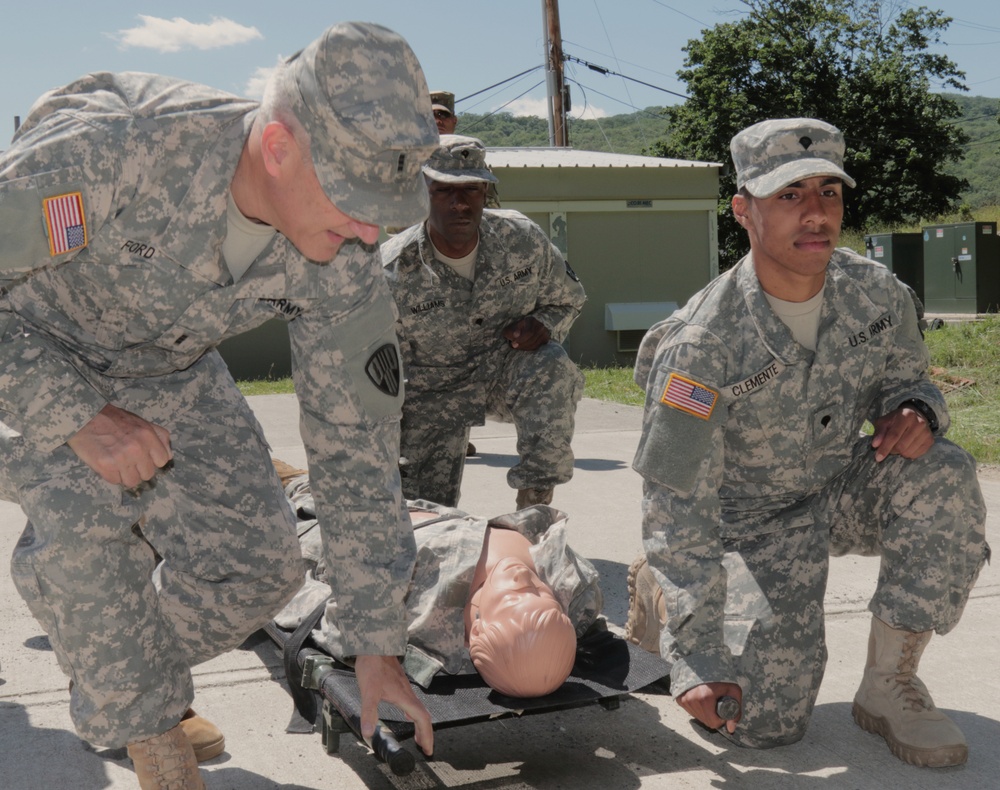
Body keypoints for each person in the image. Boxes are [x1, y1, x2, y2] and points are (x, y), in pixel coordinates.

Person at [0, 22, 440, 789]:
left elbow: (357, 444)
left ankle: (116, 677)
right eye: (354, 199)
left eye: (384, 208)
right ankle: (146, 727)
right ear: (278, 147)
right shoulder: (116, 151)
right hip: (34, 347)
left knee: (261, 566)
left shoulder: (348, 252)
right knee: (85, 533)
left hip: (173, 371)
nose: (370, 229)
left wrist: (376, 643)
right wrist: (74, 414)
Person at [626, 118, 990, 768]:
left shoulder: (876, 293)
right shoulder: (702, 344)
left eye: (829, 192)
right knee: (765, 725)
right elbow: (676, 505)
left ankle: (889, 684)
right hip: (745, 526)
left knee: (942, 471)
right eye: (789, 195)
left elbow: (909, 381)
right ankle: (659, 596)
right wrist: (699, 652)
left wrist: (914, 411)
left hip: (840, 486)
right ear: (743, 210)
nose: (816, 213)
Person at [382, 134, 587, 510]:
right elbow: (382, 369)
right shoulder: (393, 269)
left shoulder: (522, 239)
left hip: (503, 373)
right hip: (431, 393)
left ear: (486, 192)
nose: (460, 204)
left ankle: (533, 514)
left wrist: (544, 325)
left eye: (472, 190)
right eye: (444, 191)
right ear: (420, 193)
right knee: (427, 515)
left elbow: (567, 299)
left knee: (551, 366)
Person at [273, 464, 602, 697]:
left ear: (471, 631)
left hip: (331, 534)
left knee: (275, 500)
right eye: (538, 592)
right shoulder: (572, 585)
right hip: (400, 505)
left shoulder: (422, 620)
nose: (521, 576)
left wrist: (274, 580)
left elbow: (322, 609)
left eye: (512, 596)